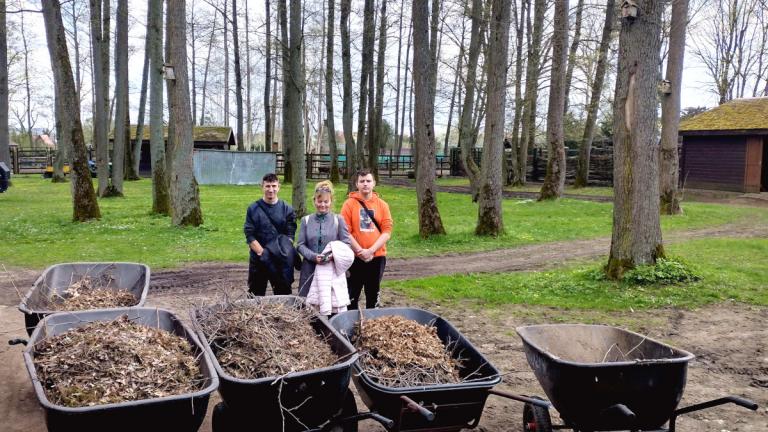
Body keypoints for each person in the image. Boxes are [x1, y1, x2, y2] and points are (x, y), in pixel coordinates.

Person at [297, 181, 354, 315]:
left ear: (331, 201)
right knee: (309, 309)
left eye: (326, 201)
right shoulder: (306, 221)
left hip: (331, 270)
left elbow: (346, 243)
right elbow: (300, 245)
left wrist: (332, 255)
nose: (322, 204)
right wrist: (312, 256)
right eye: (319, 201)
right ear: (314, 200)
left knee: (331, 307)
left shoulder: (338, 220)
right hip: (309, 269)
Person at [341, 169, 393, 309]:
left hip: (376, 257)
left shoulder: (382, 205)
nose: (365, 184)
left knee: (373, 294)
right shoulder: (349, 204)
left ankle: (371, 324)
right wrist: (359, 251)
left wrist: (371, 251)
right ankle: (351, 325)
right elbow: (345, 231)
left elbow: (387, 231)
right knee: (351, 295)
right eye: (362, 181)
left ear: (374, 183)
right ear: (357, 184)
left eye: (368, 181)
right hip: (355, 258)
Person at [243, 173, 297, 296]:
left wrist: (278, 254)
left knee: (283, 297)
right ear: (262, 187)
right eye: (267, 186)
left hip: (280, 261)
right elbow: (249, 235)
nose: (271, 190)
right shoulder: (253, 209)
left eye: (274, 186)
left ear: (279, 187)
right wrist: (263, 254)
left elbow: (290, 236)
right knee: (255, 297)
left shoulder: (287, 209)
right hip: (259, 258)